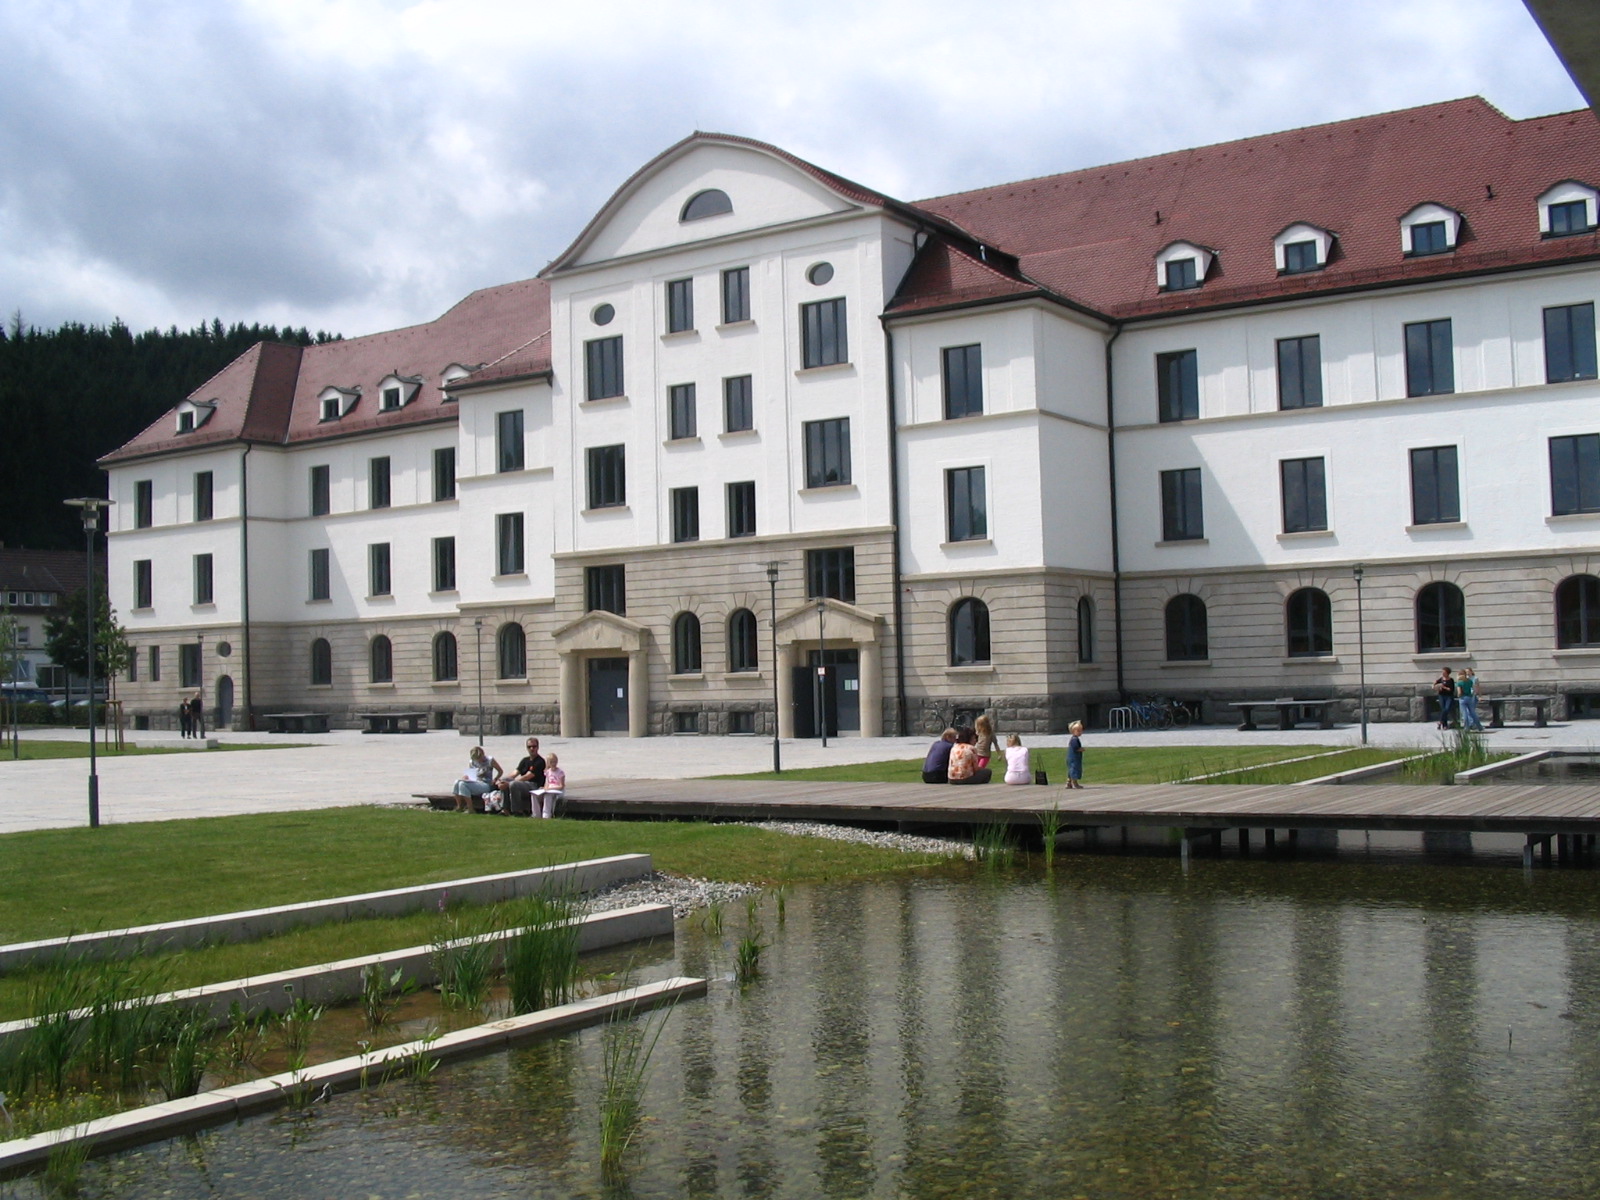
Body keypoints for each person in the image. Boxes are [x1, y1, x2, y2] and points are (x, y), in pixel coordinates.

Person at [504, 737, 547, 816]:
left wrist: (511, 782)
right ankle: (505, 809)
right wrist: (503, 781)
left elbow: (528, 776)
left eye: (534, 746)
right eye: (529, 747)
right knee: (504, 781)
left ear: (538, 747)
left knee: (514, 784)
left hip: (534, 785)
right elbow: (515, 773)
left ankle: (517, 811)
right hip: (524, 784)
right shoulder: (525, 760)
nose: (532, 749)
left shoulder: (540, 761)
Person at [453, 745, 502, 812]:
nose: (478, 760)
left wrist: (495, 779)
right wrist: (466, 777)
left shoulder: (490, 760)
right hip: (475, 782)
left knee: (462, 784)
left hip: (486, 784)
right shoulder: (472, 762)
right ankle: (459, 806)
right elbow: (470, 774)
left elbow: (500, 771)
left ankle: (470, 808)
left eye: (479, 758)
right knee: (457, 782)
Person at [535, 752, 566, 819]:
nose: (553, 764)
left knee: (548, 795)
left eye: (554, 762)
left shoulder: (560, 772)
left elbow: (562, 786)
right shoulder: (548, 772)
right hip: (550, 789)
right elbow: (547, 783)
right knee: (536, 794)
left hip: (558, 791)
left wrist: (551, 788)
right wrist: (544, 788)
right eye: (551, 762)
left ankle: (546, 814)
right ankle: (536, 814)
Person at [1457, 667, 1483, 731]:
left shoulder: (1459, 683)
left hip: (1463, 698)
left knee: (1465, 713)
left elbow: (1459, 692)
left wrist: (1459, 696)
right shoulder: (1470, 681)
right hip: (1470, 697)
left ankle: (1467, 727)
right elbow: (1474, 688)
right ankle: (1479, 726)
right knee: (1473, 712)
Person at [1066, 721, 1085, 788]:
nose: (1080, 732)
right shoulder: (1074, 739)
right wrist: (1081, 749)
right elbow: (1075, 748)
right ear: (1073, 731)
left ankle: (1069, 782)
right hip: (1074, 758)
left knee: (1071, 769)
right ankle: (1075, 783)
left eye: (1081, 730)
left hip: (1072, 758)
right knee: (1074, 769)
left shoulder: (1075, 739)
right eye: (1078, 731)